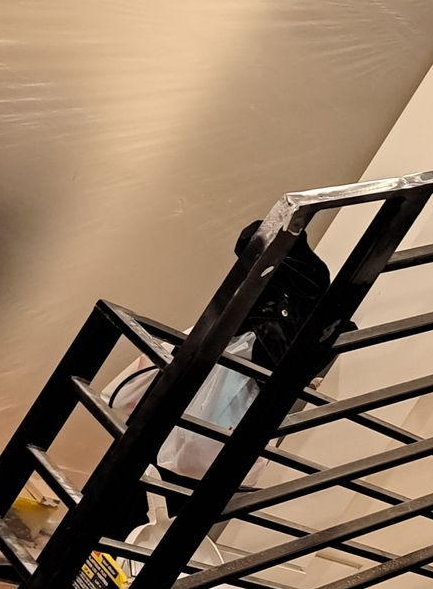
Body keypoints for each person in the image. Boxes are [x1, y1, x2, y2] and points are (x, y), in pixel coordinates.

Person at [100, 221, 343, 538]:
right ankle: (87, 566)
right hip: (194, 419)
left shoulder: (300, 297)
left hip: (200, 420)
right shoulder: (298, 288)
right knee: (133, 499)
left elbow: (279, 360)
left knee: (137, 505)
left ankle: (85, 568)